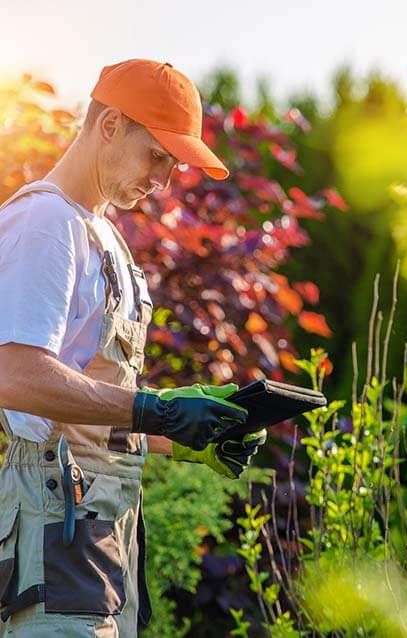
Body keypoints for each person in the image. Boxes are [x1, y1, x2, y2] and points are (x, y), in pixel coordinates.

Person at [0, 58, 266, 637]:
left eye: (173, 165)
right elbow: (16, 377)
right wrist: (159, 407)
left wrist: (185, 436)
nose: (163, 181)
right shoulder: (45, 222)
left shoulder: (103, 236)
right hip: (52, 532)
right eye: (158, 156)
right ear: (111, 125)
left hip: (97, 539)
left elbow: (87, 418)